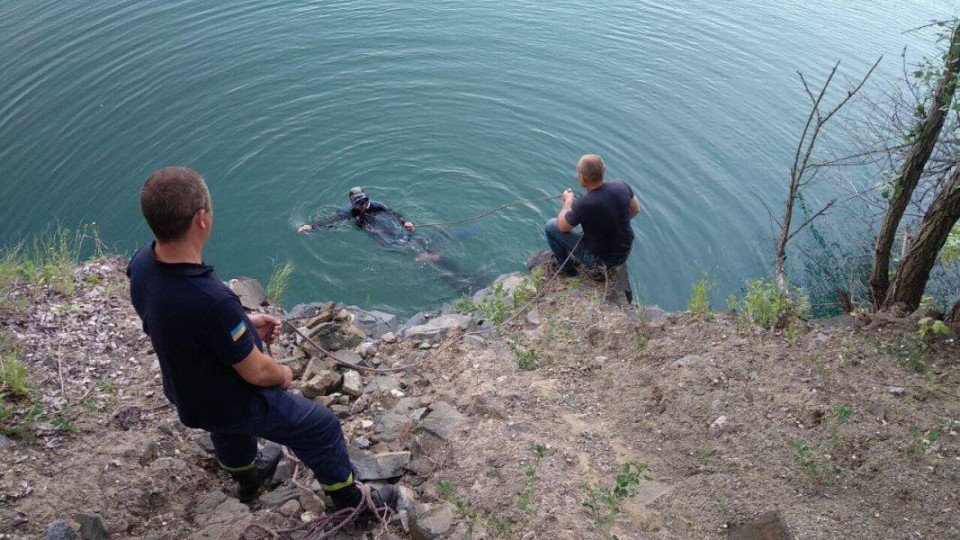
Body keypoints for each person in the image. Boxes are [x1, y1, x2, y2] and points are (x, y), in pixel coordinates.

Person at [126, 167, 397, 515]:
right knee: (321, 427)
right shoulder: (212, 300)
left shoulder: (143, 264)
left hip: (186, 394)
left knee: (225, 430)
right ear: (201, 220)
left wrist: (242, 323)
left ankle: (246, 476)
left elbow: (176, 321)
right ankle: (352, 503)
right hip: (231, 400)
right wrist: (283, 374)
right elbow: (257, 372)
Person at [544, 154, 640, 278]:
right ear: (603, 171)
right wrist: (613, 226)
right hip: (625, 251)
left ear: (582, 178)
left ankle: (567, 269)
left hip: (601, 260)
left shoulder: (583, 204)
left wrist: (568, 201)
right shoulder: (622, 185)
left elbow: (562, 227)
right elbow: (636, 209)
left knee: (550, 226)